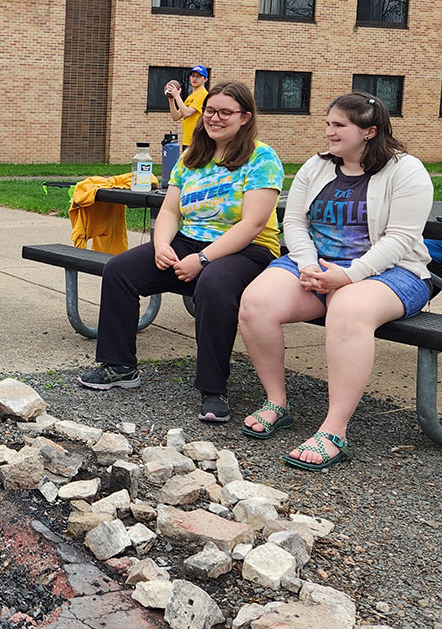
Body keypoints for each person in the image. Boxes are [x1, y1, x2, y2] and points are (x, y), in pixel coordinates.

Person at [238, 93, 433, 471]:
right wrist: (310, 265)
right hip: (317, 267)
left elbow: (401, 239)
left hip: (393, 272)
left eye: (339, 125)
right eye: (328, 123)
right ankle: (277, 402)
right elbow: (294, 222)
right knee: (255, 303)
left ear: (369, 131)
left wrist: (346, 276)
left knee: (346, 310)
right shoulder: (317, 166)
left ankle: (334, 430)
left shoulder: (406, 171)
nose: (328, 132)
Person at [77, 81, 283, 422]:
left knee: (213, 284)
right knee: (120, 271)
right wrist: (160, 247)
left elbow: (253, 225)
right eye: (210, 111)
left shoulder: (262, 157)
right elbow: (170, 211)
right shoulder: (191, 156)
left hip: (247, 250)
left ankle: (213, 389)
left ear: (245, 117)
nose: (215, 118)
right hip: (188, 241)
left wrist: (202, 260)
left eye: (225, 113)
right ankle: (120, 366)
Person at [165, 64, 209, 147]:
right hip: (187, 140)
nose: (195, 79)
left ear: (205, 79)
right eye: (193, 76)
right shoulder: (191, 97)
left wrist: (177, 96)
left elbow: (187, 113)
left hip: (197, 141)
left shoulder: (203, 94)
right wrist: (171, 99)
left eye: (198, 76)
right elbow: (176, 116)